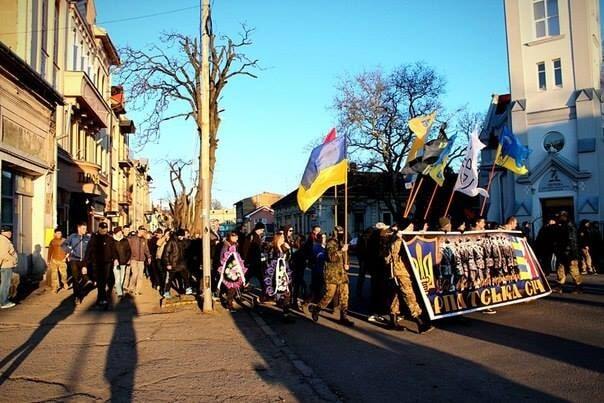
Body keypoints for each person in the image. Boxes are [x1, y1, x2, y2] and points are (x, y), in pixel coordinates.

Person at [387, 220, 433, 333]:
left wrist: (421, 234)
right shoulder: (397, 239)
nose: (412, 228)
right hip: (400, 272)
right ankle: (419, 322)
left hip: (403, 271)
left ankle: (393, 320)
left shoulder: (403, 238)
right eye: (410, 227)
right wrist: (398, 238)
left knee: (397, 296)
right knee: (409, 295)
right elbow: (394, 254)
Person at [309, 226, 354, 327]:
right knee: (329, 295)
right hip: (332, 274)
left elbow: (345, 257)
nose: (342, 234)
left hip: (342, 274)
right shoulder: (331, 243)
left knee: (345, 295)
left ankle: (344, 317)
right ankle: (317, 309)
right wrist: (341, 250)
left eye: (343, 232)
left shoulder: (342, 243)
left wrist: (347, 264)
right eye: (340, 232)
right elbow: (331, 257)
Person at [85, 222, 117, 307]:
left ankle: (102, 298)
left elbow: (113, 250)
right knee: (100, 282)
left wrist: (116, 259)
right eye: (102, 228)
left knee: (105, 280)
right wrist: (86, 263)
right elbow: (88, 250)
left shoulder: (110, 239)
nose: (104, 230)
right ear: (99, 228)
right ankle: (101, 299)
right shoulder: (94, 238)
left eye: (105, 228)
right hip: (97, 263)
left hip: (107, 263)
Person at [264, 232, 294, 321]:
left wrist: (287, 249)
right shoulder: (273, 249)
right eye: (282, 238)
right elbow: (271, 261)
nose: (283, 240)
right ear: (278, 239)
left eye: (283, 238)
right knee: (281, 293)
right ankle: (284, 313)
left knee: (286, 294)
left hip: (283, 273)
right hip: (275, 274)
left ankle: (286, 314)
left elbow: (288, 259)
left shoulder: (282, 248)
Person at [217, 232, 247, 312]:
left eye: (237, 237)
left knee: (233, 287)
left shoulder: (234, 245)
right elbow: (223, 258)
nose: (237, 238)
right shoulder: (227, 246)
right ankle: (229, 305)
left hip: (234, 268)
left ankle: (229, 300)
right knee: (231, 287)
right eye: (235, 237)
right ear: (231, 238)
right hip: (230, 270)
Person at [553, 211, 582, 293]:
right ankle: (559, 286)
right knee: (561, 268)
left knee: (573, 269)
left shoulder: (570, 225)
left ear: (564, 216)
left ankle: (578, 287)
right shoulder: (563, 225)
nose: (558, 218)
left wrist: (569, 251)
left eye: (560, 217)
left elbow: (572, 240)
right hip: (563, 251)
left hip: (570, 252)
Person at [64, 222, 91, 303]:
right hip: (74, 260)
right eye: (83, 229)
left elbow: (90, 251)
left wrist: (86, 264)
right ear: (78, 228)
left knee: (85, 278)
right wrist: (69, 251)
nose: (85, 230)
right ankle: (77, 296)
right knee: (75, 278)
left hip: (84, 261)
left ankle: (80, 290)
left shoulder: (87, 238)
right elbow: (63, 245)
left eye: (85, 229)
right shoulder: (73, 237)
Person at [162, 229, 191, 298]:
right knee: (170, 278)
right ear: (178, 235)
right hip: (173, 263)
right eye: (181, 236)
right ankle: (166, 292)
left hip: (181, 263)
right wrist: (168, 263)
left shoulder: (182, 242)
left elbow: (187, 246)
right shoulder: (171, 242)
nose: (182, 237)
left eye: (183, 236)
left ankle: (187, 288)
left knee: (185, 275)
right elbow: (166, 253)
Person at [241, 222, 267, 297]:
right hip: (252, 261)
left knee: (257, 276)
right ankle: (264, 292)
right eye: (262, 230)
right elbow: (245, 249)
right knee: (251, 276)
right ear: (258, 229)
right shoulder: (251, 236)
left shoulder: (258, 236)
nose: (262, 231)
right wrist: (245, 260)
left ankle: (264, 292)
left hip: (257, 261)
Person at [127, 225, 151, 296]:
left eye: (143, 231)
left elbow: (146, 249)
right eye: (141, 230)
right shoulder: (133, 238)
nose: (142, 232)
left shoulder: (144, 240)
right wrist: (128, 258)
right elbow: (128, 248)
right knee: (135, 274)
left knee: (140, 275)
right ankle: (131, 287)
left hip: (141, 260)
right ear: (138, 230)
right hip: (133, 259)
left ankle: (137, 290)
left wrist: (149, 257)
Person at [0, 226, 18, 309]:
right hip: (6, 265)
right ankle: (3, 302)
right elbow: (3, 254)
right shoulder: (3, 241)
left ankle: (3, 300)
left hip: (5, 265)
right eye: (10, 232)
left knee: (4, 284)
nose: (11, 234)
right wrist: (14, 259)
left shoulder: (4, 240)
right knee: (5, 284)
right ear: (5, 232)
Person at [47, 228, 68, 293]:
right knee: (54, 275)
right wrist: (48, 260)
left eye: (60, 233)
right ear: (55, 234)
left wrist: (66, 257)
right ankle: (54, 288)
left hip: (62, 260)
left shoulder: (64, 240)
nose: (59, 234)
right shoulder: (52, 241)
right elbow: (50, 251)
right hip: (54, 260)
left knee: (64, 274)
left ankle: (64, 282)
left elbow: (68, 249)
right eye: (58, 233)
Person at [113, 226, 131, 298]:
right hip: (115, 263)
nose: (120, 233)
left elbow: (129, 251)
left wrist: (126, 259)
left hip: (123, 262)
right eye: (119, 232)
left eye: (121, 232)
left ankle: (119, 289)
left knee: (122, 277)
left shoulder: (125, 240)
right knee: (117, 277)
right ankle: (120, 292)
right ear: (116, 233)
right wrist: (114, 259)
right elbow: (111, 252)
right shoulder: (112, 241)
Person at [356, 228, 372, 299]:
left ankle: (359, 292)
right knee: (363, 276)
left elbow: (358, 249)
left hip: (363, 259)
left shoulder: (361, 238)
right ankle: (359, 293)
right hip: (365, 259)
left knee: (361, 277)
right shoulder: (364, 239)